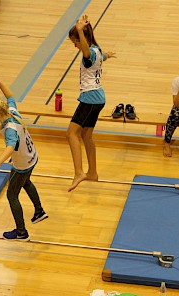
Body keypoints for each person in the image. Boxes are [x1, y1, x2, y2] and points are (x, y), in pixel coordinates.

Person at [0, 67, 48, 241]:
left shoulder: (9, 129)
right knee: (26, 182)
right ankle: (39, 211)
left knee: (12, 194)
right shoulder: (11, 111)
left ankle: (21, 232)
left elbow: (10, 146)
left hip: (22, 163)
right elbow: (10, 97)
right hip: (32, 157)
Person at [67, 14, 115, 192]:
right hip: (97, 98)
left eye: (76, 41)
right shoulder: (97, 51)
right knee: (86, 136)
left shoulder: (89, 52)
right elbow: (99, 58)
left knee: (71, 134)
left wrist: (79, 31)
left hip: (91, 98)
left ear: (83, 39)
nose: (75, 45)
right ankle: (92, 172)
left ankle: (79, 172)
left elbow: (86, 52)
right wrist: (107, 56)